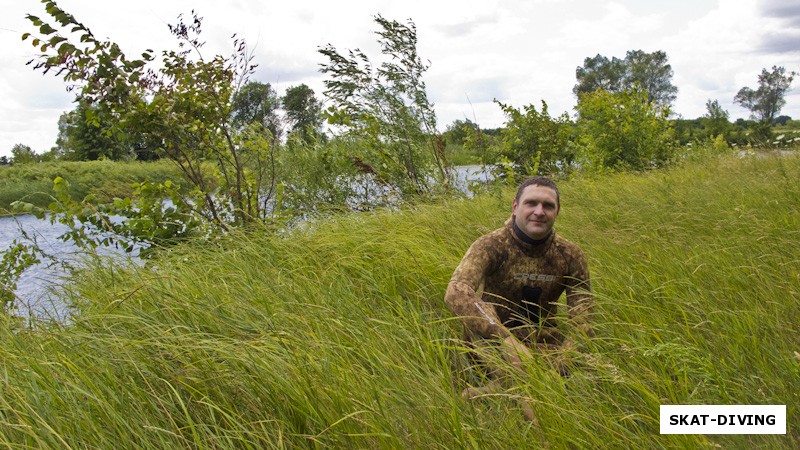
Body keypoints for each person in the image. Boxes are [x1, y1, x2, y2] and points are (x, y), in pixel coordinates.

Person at [444, 176, 593, 405]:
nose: (539, 211)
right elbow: (456, 290)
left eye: (548, 206)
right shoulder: (491, 245)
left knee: (593, 382)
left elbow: (583, 318)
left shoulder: (570, 254)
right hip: (491, 340)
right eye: (531, 203)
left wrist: (564, 360)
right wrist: (504, 339)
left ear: (557, 211)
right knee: (524, 378)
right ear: (515, 207)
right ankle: (540, 432)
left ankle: (491, 392)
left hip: (544, 341)